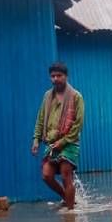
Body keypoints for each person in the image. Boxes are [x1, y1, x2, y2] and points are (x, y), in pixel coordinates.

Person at [32, 62, 84, 210]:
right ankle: (68, 199)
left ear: (66, 76)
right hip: (51, 142)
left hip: (69, 142)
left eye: (59, 76)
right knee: (47, 176)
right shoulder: (48, 96)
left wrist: (64, 140)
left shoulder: (76, 96)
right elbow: (41, 119)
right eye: (53, 76)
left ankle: (70, 216)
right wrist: (36, 139)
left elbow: (78, 123)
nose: (55, 79)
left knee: (66, 176)